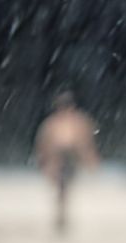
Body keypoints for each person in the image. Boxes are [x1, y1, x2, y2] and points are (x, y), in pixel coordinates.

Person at [32, 90, 100, 235]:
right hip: (59, 158)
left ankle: (63, 216)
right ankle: (61, 216)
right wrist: (45, 161)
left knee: (64, 188)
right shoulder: (52, 123)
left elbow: (86, 142)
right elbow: (44, 144)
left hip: (71, 157)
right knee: (62, 188)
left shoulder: (79, 122)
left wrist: (89, 158)